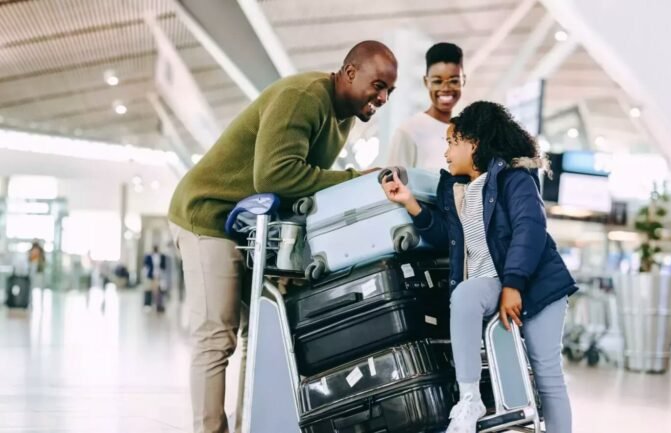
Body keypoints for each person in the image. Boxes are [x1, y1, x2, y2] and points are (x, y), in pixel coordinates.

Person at [168, 41, 398, 433]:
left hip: (248, 226)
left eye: (389, 91)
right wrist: (354, 180)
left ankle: (249, 425)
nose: (382, 97)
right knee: (217, 336)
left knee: (258, 336)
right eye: (378, 85)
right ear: (349, 72)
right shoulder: (304, 97)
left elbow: (295, 189)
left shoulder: (341, 117)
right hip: (208, 214)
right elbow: (275, 177)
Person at [381, 101, 576, 433]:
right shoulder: (456, 190)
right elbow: (447, 235)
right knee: (466, 295)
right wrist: (410, 203)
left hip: (538, 286)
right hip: (492, 282)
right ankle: (469, 398)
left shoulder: (515, 178)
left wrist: (514, 285)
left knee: (546, 373)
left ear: (474, 143)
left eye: (452, 142)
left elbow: (530, 229)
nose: (446, 152)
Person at [387, 42, 465, 172]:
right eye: (437, 81)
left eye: (454, 81)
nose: (445, 88)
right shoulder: (409, 131)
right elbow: (392, 185)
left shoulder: (466, 131)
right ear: (426, 82)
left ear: (463, 81)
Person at [143, 246, 167, 312]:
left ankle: (159, 306)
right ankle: (147, 305)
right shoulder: (149, 256)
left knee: (159, 292)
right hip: (150, 276)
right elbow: (146, 266)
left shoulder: (162, 256)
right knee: (148, 290)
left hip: (159, 276)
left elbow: (163, 267)